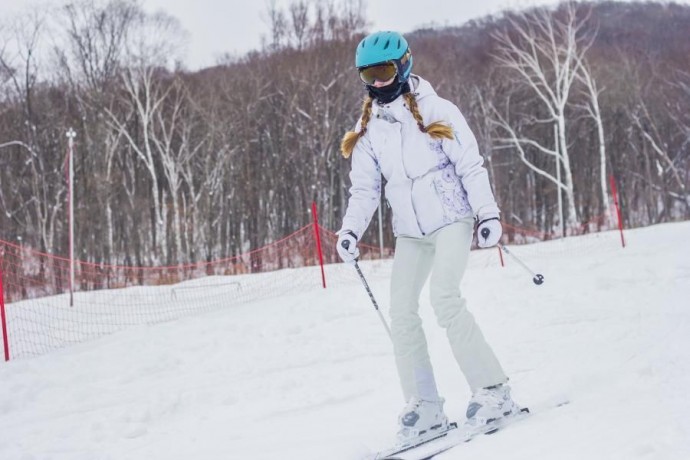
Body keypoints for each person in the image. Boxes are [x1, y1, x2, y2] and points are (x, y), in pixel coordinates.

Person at [335, 31, 521, 445]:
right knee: (401, 311)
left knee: (445, 299)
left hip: (452, 218)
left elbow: (470, 165)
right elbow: (364, 191)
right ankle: (425, 407)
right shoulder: (367, 129)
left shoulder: (439, 110)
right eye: (368, 74)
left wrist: (487, 213)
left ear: (404, 65)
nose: (377, 83)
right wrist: (350, 230)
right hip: (410, 231)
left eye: (384, 72)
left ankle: (494, 391)